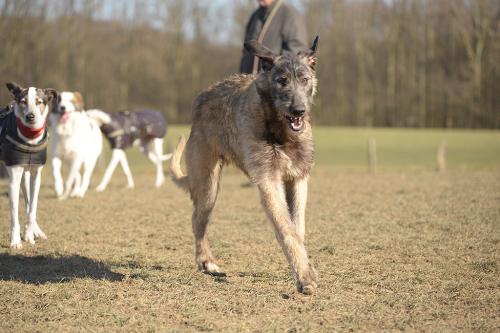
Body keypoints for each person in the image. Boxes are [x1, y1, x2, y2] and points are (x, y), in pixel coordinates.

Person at [240, 0, 308, 74]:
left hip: (274, 82)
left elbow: (296, 53)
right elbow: (246, 52)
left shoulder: (289, 14)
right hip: (250, 82)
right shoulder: (254, 16)